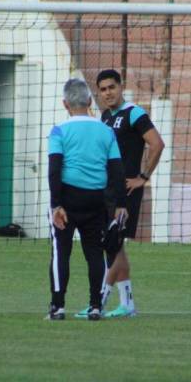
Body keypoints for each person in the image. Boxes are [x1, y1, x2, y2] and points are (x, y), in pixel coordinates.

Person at [77, 69, 165, 319]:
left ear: (120, 87)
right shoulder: (105, 117)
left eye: (111, 87)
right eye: (103, 89)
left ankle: (100, 302)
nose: (107, 93)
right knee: (116, 247)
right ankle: (127, 304)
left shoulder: (134, 113)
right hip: (107, 191)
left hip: (124, 193)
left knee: (112, 244)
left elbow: (157, 144)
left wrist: (143, 177)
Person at [46, 78, 128, 321]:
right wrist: (120, 204)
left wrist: (56, 205)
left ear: (65, 104)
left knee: (61, 251)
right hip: (96, 200)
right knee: (94, 253)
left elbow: (54, 169)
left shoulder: (59, 131)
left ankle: (57, 307)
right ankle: (95, 306)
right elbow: (117, 170)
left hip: (68, 198)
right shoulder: (106, 131)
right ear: (90, 101)